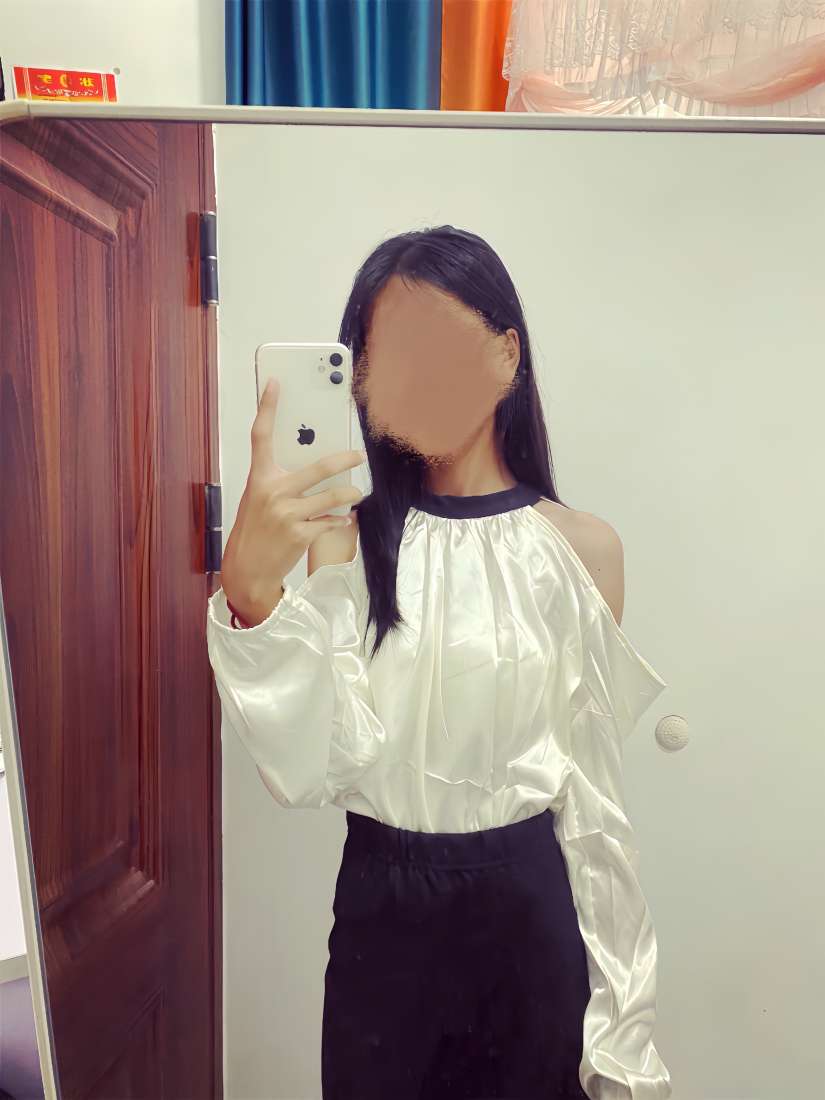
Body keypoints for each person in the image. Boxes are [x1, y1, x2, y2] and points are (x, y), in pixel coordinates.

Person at [206, 226, 672, 1099]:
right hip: (383, 913)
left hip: (529, 913)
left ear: (506, 353)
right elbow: (314, 766)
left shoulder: (580, 551)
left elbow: (593, 801)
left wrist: (624, 1026)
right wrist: (252, 598)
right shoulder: (345, 541)